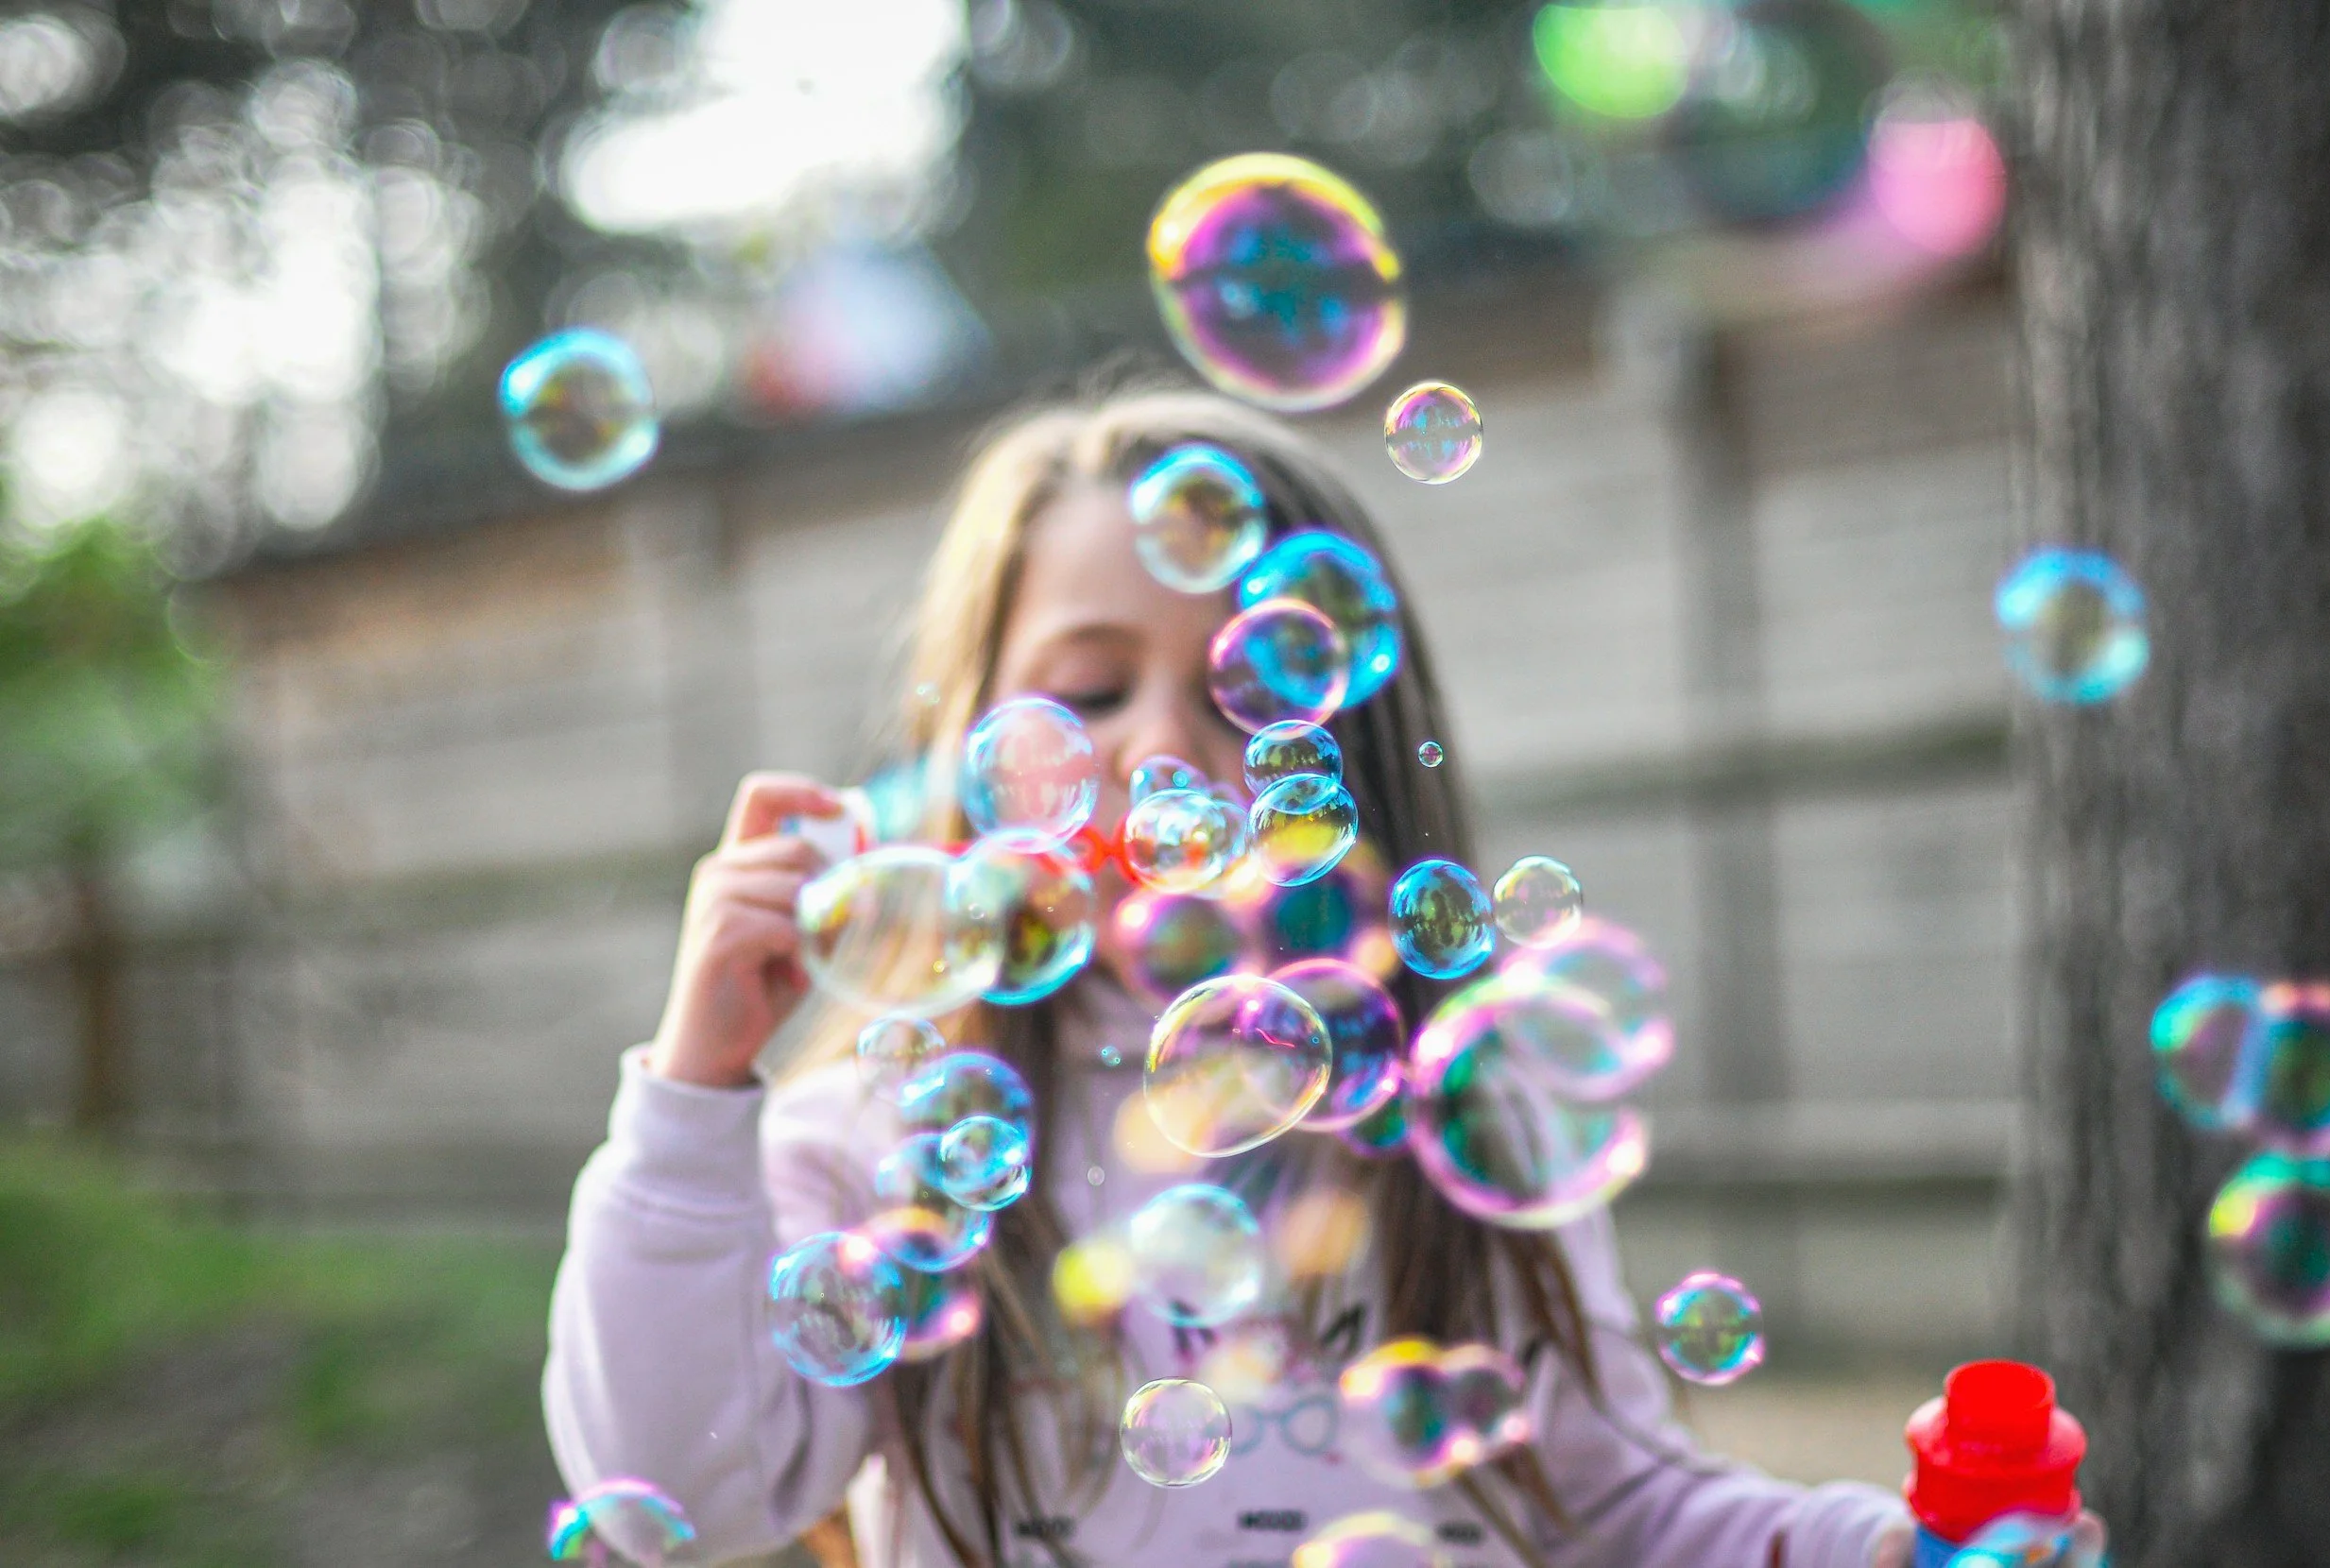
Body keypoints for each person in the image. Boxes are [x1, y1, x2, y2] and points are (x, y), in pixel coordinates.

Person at [545, 387, 1921, 1568]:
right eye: (1087, 694)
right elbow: (689, 1486)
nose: (1164, 748)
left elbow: (1620, 1508)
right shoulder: (880, 1141)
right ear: (973, 750)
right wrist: (693, 1093)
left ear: (1362, 741)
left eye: (1250, 686)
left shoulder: (1464, 1118)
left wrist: (1872, 1545)